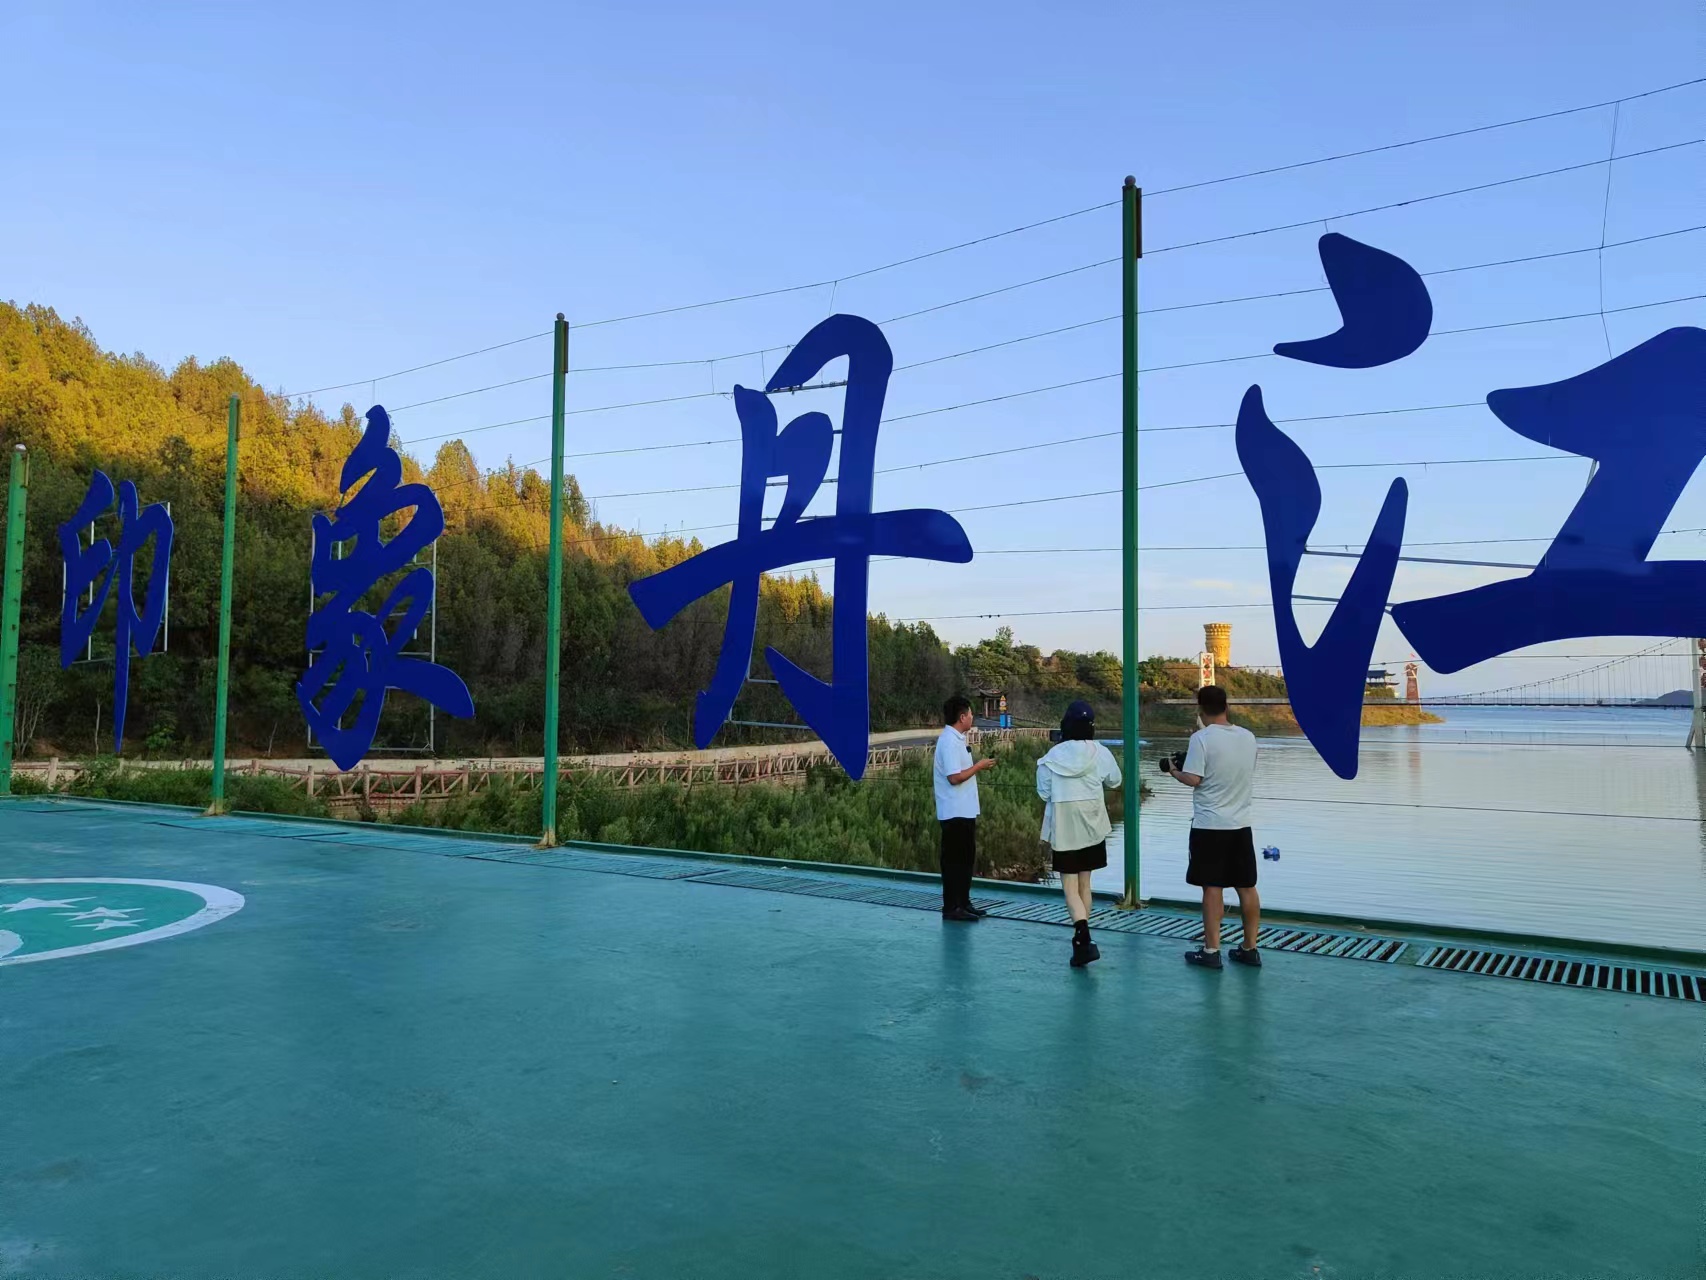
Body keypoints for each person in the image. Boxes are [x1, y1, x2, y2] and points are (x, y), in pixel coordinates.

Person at [1160, 685, 1261, 969]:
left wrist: (1173, 770)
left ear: (1201, 710)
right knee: (1247, 886)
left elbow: (1194, 779)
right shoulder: (1248, 737)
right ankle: (1250, 948)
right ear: (1226, 707)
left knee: (1212, 887)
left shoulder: (1201, 738)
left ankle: (1211, 950)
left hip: (1210, 826)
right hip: (1241, 824)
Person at [1037, 701, 1122, 967]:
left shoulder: (1051, 757)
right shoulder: (1100, 752)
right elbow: (1115, 780)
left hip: (1065, 826)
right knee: (1085, 884)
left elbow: (1043, 792)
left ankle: (1082, 938)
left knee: (1070, 887)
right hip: (1093, 824)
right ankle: (1084, 938)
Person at [934, 695, 996, 922]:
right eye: (970, 714)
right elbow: (954, 777)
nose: (972, 717)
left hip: (965, 810)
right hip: (954, 811)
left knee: (966, 859)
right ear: (962, 717)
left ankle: (964, 902)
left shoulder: (958, 739)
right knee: (954, 861)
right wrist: (979, 766)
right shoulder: (948, 742)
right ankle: (952, 906)